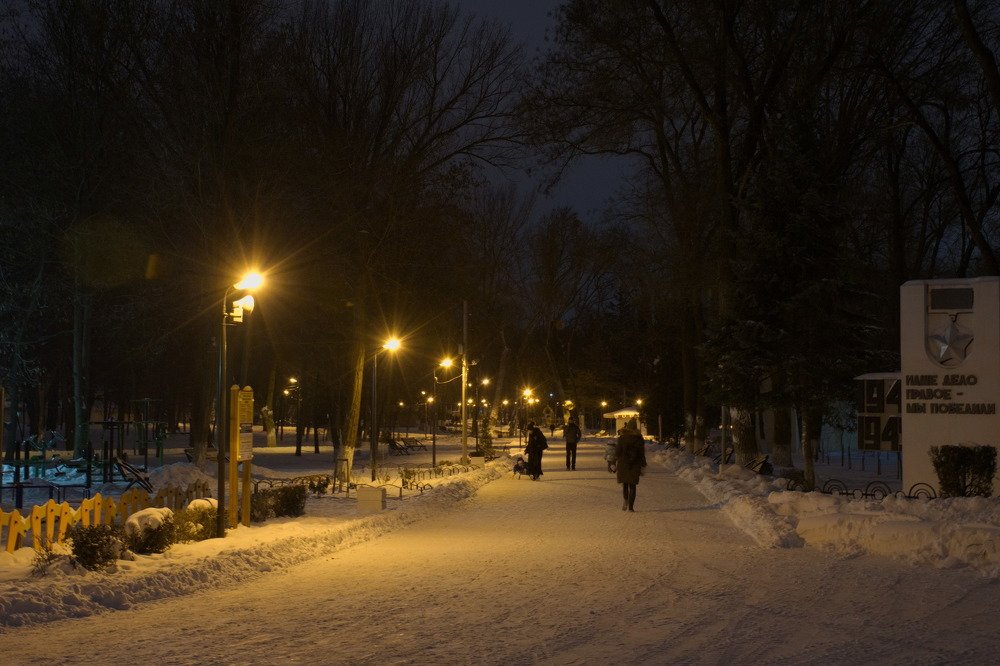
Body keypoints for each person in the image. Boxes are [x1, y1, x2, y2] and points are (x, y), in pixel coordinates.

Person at [614, 419, 646, 511]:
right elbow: (641, 452)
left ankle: (625, 500)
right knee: (633, 486)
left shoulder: (622, 438)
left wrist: (615, 460)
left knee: (625, 484)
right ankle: (631, 507)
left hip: (623, 463)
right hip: (635, 463)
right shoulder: (639, 438)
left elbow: (618, 451)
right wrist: (643, 464)